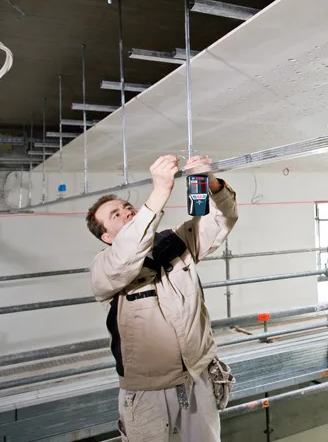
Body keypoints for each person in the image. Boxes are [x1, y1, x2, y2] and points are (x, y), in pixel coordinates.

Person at [85, 154, 238, 442]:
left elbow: (222, 220)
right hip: (147, 390)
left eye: (127, 207)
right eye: (115, 215)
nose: (126, 212)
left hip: (198, 374)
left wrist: (211, 183)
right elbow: (127, 254)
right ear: (106, 237)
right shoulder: (104, 267)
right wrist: (160, 192)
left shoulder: (176, 242)